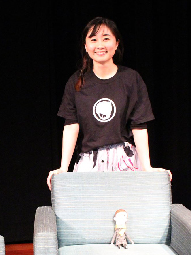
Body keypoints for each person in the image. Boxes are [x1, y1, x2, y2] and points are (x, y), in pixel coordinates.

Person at [47, 17, 171, 190]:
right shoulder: (76, 82)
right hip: (89, 162)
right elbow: (71, 126)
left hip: (124, 160)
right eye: (93, 39)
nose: (100, 45)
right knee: (89, 214)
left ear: (116, 43)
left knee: (126, 213)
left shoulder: (131, 79)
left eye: (106, 38)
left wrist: (147, 167)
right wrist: (63, 167)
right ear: (85, 45)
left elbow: (139, 126)